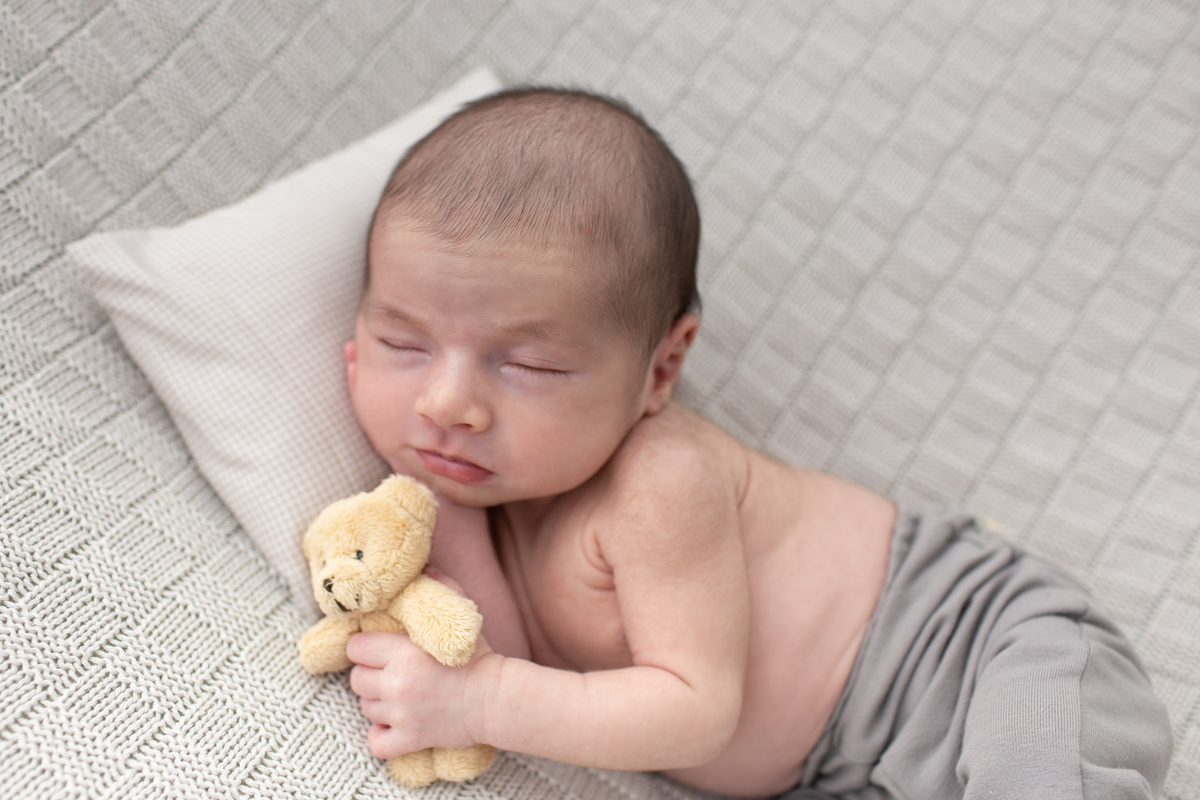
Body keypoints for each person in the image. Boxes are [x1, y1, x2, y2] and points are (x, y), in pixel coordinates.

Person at [339, 87, 1172, 799]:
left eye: (527, 364)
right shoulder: (471, 494)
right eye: (402, 344)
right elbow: (522, 666)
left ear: (661, 368)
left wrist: (480, 700)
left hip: (978, 652)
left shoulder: (659, 478)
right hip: (843, 770)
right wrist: (445, 529)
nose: (450, 404)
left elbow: (693, 712)